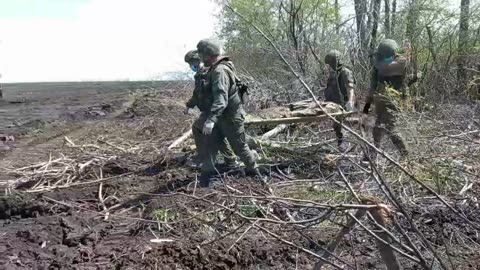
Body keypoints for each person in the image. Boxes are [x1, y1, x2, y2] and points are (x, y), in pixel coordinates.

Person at [195, 38, 261, 187]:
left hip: (230, 117)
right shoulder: (214, 69)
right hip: (221, 115)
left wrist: (211, 120)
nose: (201, 59)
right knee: (210, 144)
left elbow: (221, 99)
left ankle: (255, 173)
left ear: (209, 54)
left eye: (202, 56)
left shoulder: (220, 71)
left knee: (240, 147)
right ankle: (208, 176)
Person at [183, 50, 237, 170]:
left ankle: (230, 160)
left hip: (219, 110)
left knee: (212, 132)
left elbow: (220, 95)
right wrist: (189, 105)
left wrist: (213, 116)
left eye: (192, 63)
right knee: (199, 128)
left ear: (199, 60)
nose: (191, 66)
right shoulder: (200, 74)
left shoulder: (212, 72)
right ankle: (205, 156)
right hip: (210, 110)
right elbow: (197, 94)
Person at [363, 39, 409, 157]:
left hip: (394, 100)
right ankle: (374, 152)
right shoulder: (377, 64)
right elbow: (372, 85)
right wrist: (366, 107)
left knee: (391, 128)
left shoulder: (400, 62)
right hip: (380, 100)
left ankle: (406, 156)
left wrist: (376, 62)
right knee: (377, 128)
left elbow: (387, 69)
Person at [323, 50, 356, 152]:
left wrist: (350, 102)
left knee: (343, 126)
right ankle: (341, 144)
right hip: (334, 105)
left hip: (344, 104)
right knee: (337, 126)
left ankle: (345, 148)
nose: (330, 65)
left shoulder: (345, 72)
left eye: (331, 62)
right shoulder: (334, 74)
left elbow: (350, 88)